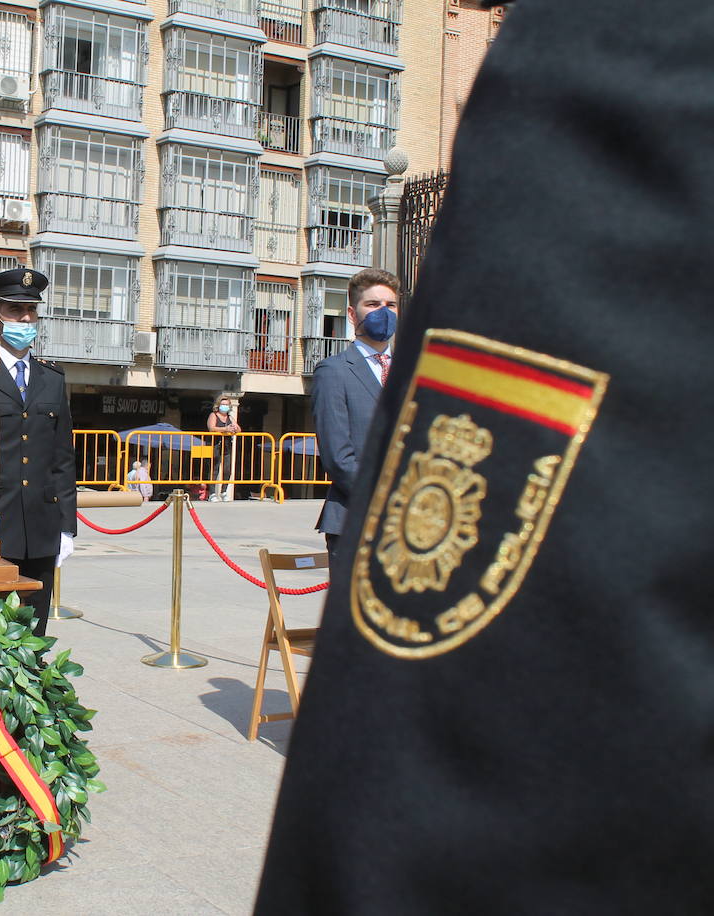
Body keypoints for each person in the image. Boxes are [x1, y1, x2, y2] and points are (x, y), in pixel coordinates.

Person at [255, 0, 714, 912]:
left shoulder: (634, 63)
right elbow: (350, 453)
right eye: (377, 300)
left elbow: (443, 802)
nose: (387, 309)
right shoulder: (341, 369)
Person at [0, 267, 77, 637]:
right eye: (15, 310)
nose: (25, 319)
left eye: (31, 311)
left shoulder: (51, 378)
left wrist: (67, 527)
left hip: (42, 527)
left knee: (34, 631)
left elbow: (62, 458)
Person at [310, 267, 399, 556]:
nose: (383, 312)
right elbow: (338, 457)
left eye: (391, 305)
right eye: (373, 305)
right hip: (355, 522)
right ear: (352, 313)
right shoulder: (333, 372)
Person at [205, 395, 242, 501]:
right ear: (218, 405)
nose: (224, 406)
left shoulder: (230, 417)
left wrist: (235, 428)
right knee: (214, 469)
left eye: (226, 405)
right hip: (215, 444)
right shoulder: (213, 415)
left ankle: (224, 491)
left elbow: (239, 429)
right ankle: (212, 493)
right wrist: (225, 428)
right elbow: (211, 428)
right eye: (223, 404)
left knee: (227, 469)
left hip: (226, 446)